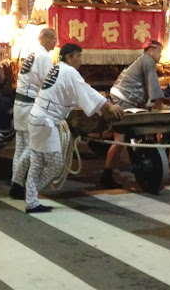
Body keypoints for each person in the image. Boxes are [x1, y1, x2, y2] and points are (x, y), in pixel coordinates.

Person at [25, 43, 124, 212]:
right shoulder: (69, 71)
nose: (80, 60)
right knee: (55, 164)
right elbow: (84, 90)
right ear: (69, 57)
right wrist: (109, 106)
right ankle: (30, 193)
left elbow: (72, 92)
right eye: (78, 56)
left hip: (37, 117)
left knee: (37, 162)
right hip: (45, 120)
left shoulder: (58, 68)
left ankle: (31, 199)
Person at [101, 39, 165, 188]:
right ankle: (107, 175)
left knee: (122, 139)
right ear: (150, 51)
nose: (160, 55)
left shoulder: (143, 60)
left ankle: (111, 173)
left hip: (121, 98)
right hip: (122, 101)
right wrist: (159, 104)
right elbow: (154, 87)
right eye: (159, 52)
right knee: (120, 139)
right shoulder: (148, 61)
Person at [9, 27, 56, 200]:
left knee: (20, 147)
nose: (55, 43)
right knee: (32, 146)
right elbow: (49, 84)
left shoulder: (32, 54)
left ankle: (17, 185)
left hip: (20, 103)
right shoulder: (44, 57)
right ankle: (16, 182)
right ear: (45, 39)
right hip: (30, 105)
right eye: (53, 39)